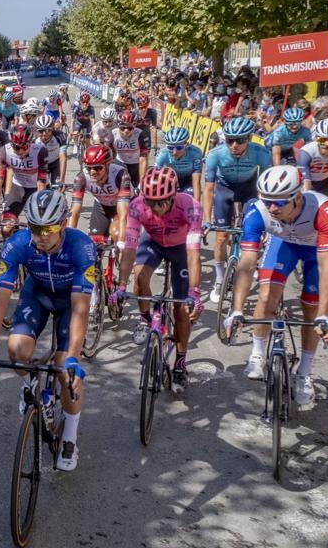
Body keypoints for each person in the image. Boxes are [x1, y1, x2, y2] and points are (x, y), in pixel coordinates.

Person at [0, 190, 93, 472]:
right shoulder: (18, 244)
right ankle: (31, 386)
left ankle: (70, 437)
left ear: (63, 224)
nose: (40, 236)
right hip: (37, 293)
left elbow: (80, 309)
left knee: (65, 370)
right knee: (16, 350)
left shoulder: (80, 246)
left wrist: (74, 356)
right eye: (34, 228)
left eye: (48, 229)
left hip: (69, 301)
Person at [225, 167, 328, 404]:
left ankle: (304, 373)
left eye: (279, 203)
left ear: (298, 196)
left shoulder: (324, 209)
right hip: (283, 244)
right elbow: (246, 264)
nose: (272, 208)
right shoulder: (257, 211)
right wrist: (236, 309)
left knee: (311, 309)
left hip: (315, 251)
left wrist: (325, 314)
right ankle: (257, 354)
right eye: (267, 201)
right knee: (266, 297)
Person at [111, 167, 206, 391]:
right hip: (153, 243)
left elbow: (194, 253)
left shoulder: (190, 206)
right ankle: (146, 319)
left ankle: (181, 363)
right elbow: (130, 249)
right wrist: (121, 286)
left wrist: (195, 291)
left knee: (182, 309)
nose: (154, 208)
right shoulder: (137, 206)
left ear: (172, 196)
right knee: (139, 275)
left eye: (160, 202)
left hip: (181, 248)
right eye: (150, 202)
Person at [203, 116, 272, 302]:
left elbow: (266, 188)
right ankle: (219, 279)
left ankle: (250, 261)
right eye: (229, 140)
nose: (234, 145)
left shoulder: (261, 153)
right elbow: (208, 190)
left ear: (249, 138)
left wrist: (266, 218)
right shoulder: (215, 154)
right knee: (221, 236)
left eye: (240, 140)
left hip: (249, 190)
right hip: (224, 190)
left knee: (253, 232)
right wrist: (207, 220)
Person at [69, 144, 132, 244]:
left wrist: (120, 243)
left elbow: (123, 212)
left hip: (123, 207)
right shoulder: (81, 177)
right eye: (88, 168)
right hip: (102, 207)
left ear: (108, 164)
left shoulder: (120, 174)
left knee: (118, 235)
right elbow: (74, 211)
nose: (92, 172)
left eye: (98, 167)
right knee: (94, 243)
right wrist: (67, 240)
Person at [153, 126, 204, 195]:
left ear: (187, 145)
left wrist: (196, 205)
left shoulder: (195, 153)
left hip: (187, 181)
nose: (174, 152)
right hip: (169, 179)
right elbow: (154, 177)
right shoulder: (163, 153)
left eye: (179, 147)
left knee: (189, 197)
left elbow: (196, 181)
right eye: (170, 147)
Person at [111, 110, 151, 186]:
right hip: (120, 163)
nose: (126, 131)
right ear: (118, 126)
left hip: (136, 165)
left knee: (137, 190)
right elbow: (108, 156)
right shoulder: (113, 134)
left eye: (130, 128)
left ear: (134, 126)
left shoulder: (141, 134)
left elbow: (143, 158)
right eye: (123, 128)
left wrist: (142, 182)